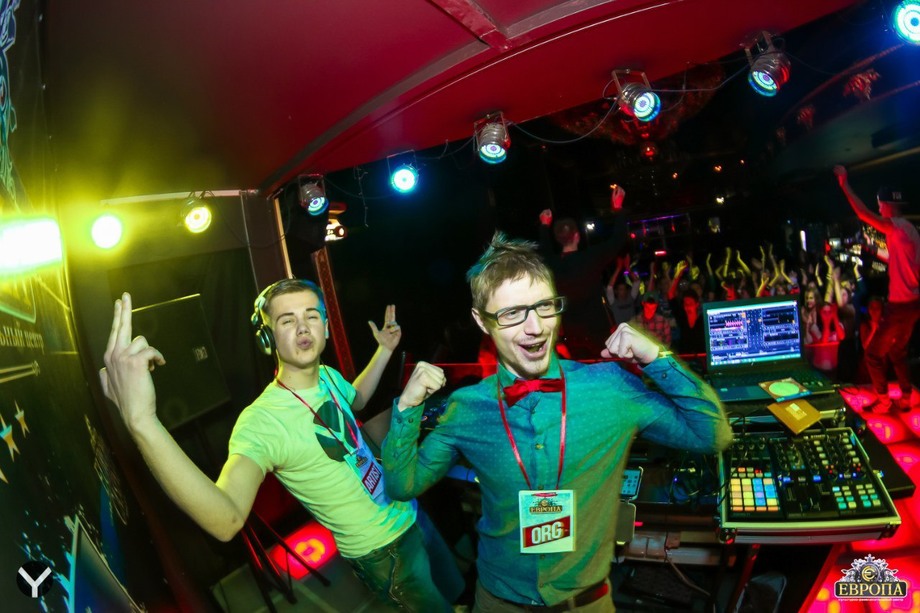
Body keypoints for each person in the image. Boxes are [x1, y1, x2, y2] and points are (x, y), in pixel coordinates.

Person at [382, 233, 731, 612]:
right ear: (482, 321)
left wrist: (656, 356)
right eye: (512, 313)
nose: (535, 327)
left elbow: (712, 434)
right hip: (498, 602)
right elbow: (403, 485)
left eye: (544, 306)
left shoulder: (610, 388)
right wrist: (406, 410)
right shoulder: (467, 408)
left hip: (586, 603)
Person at [99, 280, 462, 611]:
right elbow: (226, 519)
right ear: (267, 338)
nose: (303, 327)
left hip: (410, 512)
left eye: (311, 316)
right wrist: (143, 421)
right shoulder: (262, 422)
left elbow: (357, 400)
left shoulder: (328, 376)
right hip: (383, 553)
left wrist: (383, 351)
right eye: (287, 320)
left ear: (325, 327)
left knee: (455, 593)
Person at [834, 165, 920, 412]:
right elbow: (897, 259)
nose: (879, 209)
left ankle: (883, 401)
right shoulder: (909, 230)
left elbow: (863, 213)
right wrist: (871, 249)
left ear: (887, 205)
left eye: (880, 205)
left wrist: (844, 184)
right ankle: (905, 397)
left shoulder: (896, 226)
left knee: (873, 355)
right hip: (913, 304)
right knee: (898, 352)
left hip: (900, 306)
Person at [537, 189, 627, 359]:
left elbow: (545, 250)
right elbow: (617, 239)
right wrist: (618, 208)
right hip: (598, 332)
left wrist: (544, 226)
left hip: (573, 336)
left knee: (582, 372)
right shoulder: (590, 258)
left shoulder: (552, 265)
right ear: (577, 236)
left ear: (559, 239)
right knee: (604, 369)